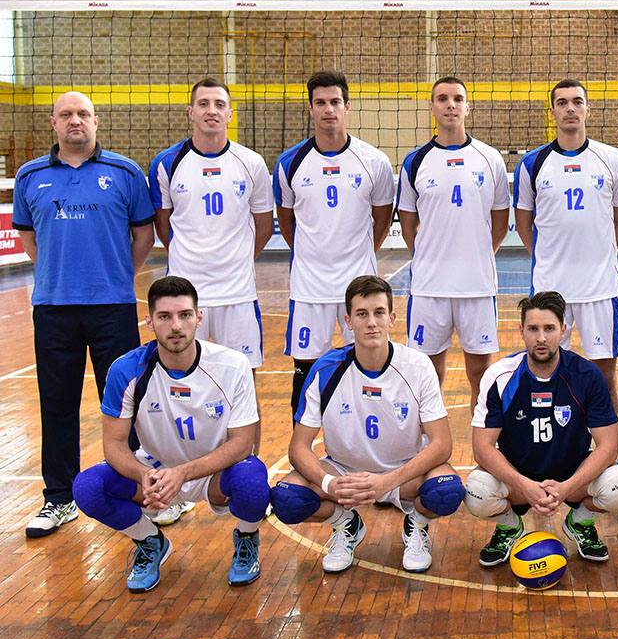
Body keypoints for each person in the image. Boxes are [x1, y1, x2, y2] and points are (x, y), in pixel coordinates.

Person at [13, 90, 156, 538]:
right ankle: (59, 497)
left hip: (113, 307)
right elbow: (29, 238)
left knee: (126, 405)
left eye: (83, 114)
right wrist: (58, 275)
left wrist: (118, 276)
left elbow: (144, 235)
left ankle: (139, 490)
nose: (75, 120)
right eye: (66, 114)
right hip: (53, 309)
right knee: (57, 405)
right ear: (53, 123)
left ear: (96, 122)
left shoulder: (125, 172)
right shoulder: (29, 175)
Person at [72, 276, 270, 593]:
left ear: (199, 318)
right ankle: (149, 540)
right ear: (149, 321)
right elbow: (113, 443)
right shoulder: (126, 370)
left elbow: (243, 443)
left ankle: (246, 538)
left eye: (184, 315)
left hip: (215, 472)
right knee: (88, 488)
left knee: (252, 482)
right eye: (165, 316)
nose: (176, 326)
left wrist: (184, 474)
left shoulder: (232, 365)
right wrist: (144, 475)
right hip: (155, 472)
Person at [269, 275, 463, 574]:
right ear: (348, 321)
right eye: (362, 314)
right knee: (287, 500)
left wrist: (388, 481)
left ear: (392, 318)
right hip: (344, 472)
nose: (371, 322)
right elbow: (298, 448)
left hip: (403, 471)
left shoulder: (417, 366)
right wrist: (329, 483)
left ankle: (416, 525)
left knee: (446, 491)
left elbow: (442, 444)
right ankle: (345, 524)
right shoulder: (326, 369)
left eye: (379, 313)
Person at [147, 77, 273, 527]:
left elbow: (263, 226)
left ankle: (246, 481)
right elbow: (165, 226)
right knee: (174, 388)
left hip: (237, 294)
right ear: (191, 112)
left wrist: (234, 263)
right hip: (185, 298)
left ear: (230, 113)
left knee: (245, 389)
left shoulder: (252, 163)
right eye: (203, 103)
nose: (211, 110)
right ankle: (174, 487)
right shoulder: (167, 163)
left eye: (219, 103)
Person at [464, 290, 618, 566]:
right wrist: (525, 485)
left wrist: (566, 488)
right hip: (518, 479)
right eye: (533, 329)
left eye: (549, 329)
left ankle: (580, 522)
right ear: (521, 331)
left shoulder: (587, 375)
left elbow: (608, 446)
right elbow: (482, 449)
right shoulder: (499, 376)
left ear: (563, 331)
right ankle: (509, 526)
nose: (541, 338)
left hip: (571, 477)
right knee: (476, 492)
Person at [274, 71, 397, 420]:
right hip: (309, 287)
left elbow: (381, 220)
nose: (328, 109)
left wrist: (359, 257)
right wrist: (311, 254)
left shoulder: (374, 161)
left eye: (334, 102)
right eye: (320, 103)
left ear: (347, 107)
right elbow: (287, 222)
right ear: (310, 108)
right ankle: (301, 444)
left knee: (366, 364)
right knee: (305, 370)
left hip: (358, 286)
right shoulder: (290, 163)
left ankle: (361, 437)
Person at [514, 79, 618, 414]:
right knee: (545, 374)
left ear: (587, 110)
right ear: (552, 112)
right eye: (562, 102)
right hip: (550, 290)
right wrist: (546, 258)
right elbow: (524, 223)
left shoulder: (613, 159)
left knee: (604, 377)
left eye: (577, 102)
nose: (570, 108)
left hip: (599, 289)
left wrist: (603, 253)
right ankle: (552, 440)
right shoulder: (533, 164)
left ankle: (607, 443)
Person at [398, 76, 510, 411]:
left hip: (476, 286)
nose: (451, 105)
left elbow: (500, 223)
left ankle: (482, 433)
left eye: (458, 99)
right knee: (427, 373)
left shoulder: (490, 158)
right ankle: (427, 437)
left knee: (481, 374)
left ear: (467, 107)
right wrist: (429, 257)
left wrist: (476, 256)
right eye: (443, 99)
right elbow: (408, 225)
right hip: (429, 287)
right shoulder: (415, 161)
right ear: (431, 108)